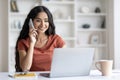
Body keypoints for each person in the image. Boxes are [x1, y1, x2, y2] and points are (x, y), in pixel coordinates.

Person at [15, 6, 65, 72]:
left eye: (46, 21)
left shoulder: (57, 40)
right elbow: (25, 68)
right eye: (38, 20)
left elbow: (65, 64)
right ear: (31, 22)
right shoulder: (23, 42)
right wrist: (32, 43)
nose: (43, 24)